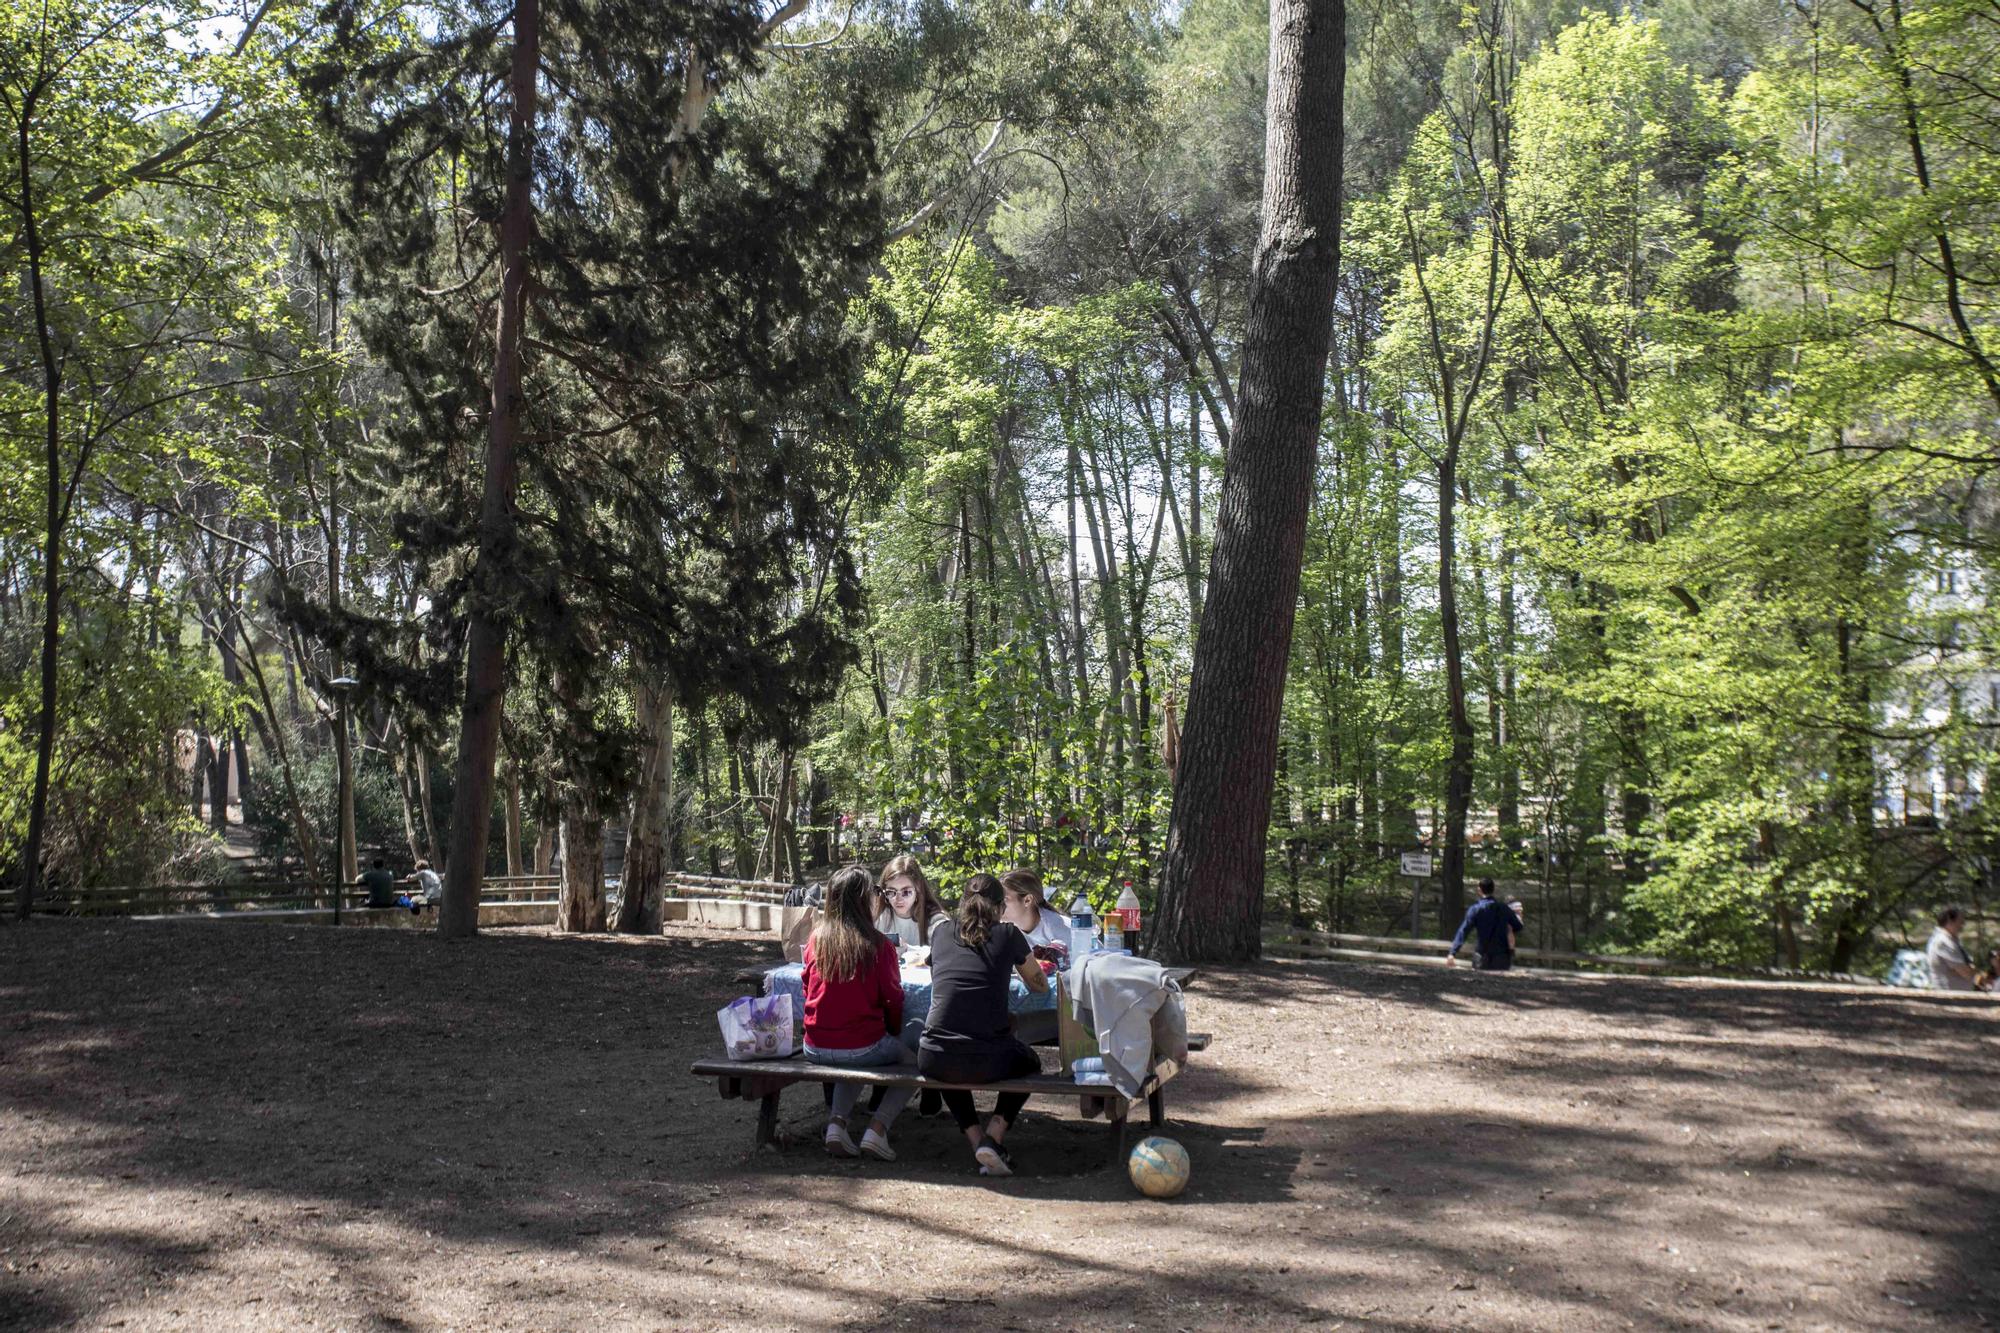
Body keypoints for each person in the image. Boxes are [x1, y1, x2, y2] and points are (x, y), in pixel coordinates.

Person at [919, 873, 1049, 1177]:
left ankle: (978, 1141)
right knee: (1029, 1061)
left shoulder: (940, 933)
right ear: (1000, 906)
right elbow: (1039, 985)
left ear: (963, 901)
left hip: (932, 1055)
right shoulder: (1008, 934)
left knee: (948, 1058)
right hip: (987, 1056)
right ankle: (993, 1136)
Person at [803, 865, 913, 1161]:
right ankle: (878, 1128)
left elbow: (806, 987)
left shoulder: (816, 940)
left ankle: (837, 1124)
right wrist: (892, 1031)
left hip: (813, 1046)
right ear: (864, 901)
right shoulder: (878, 945)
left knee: (853, 1045)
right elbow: (893, 998)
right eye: (875, 893)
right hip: (860, 1045)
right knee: (916, 1059)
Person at [874, 854, 950, 952]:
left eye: (906, 892)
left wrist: (907, 949)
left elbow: (945, 953)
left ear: (918, 890)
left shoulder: (935, 919)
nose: (898, 899)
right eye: (891, 892)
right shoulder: (880, 917)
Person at [1446, 878, 1525, 971]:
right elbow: (1518, 926)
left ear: (1479, 890)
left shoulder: (1476, 909)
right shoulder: (1504, 909)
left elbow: (1463, 931)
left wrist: (1452, 952)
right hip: (1502, 958)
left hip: (1481, 957)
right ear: (1493, 889)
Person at [1000, 869, 1069, 948]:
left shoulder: (1061, 929)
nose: (997, 904)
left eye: (1004, 899)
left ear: (1027, 900)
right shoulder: (1000, 929)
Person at [1926, 906, 1978, 991]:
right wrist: (1972, 970)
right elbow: (1966, 973)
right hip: (1949, 997)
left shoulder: (1951, 941)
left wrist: (1970, 969)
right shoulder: (1943, 942)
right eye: (1960, 920)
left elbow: (1965, 968)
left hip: (1956, 996)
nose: (1963, 924)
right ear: (1950, 921)